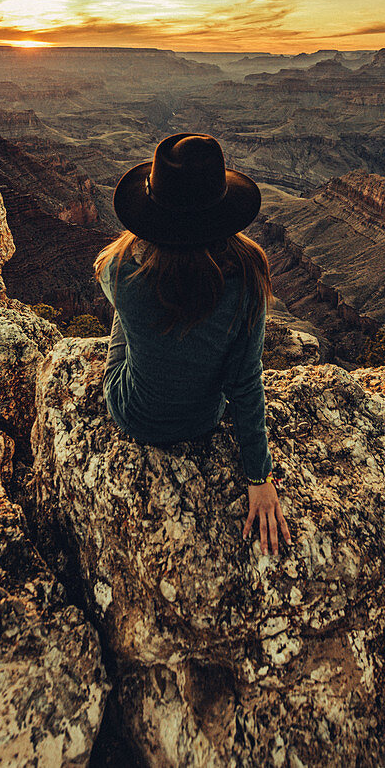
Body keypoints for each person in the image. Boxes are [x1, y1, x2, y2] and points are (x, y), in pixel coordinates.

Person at [94, 132, 291, 556]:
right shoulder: (248, 273)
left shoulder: (119, 268)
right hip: (204, 418)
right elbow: (244, 383)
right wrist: (260, 478)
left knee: (126, 320)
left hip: (134, 414)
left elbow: (115, 291)